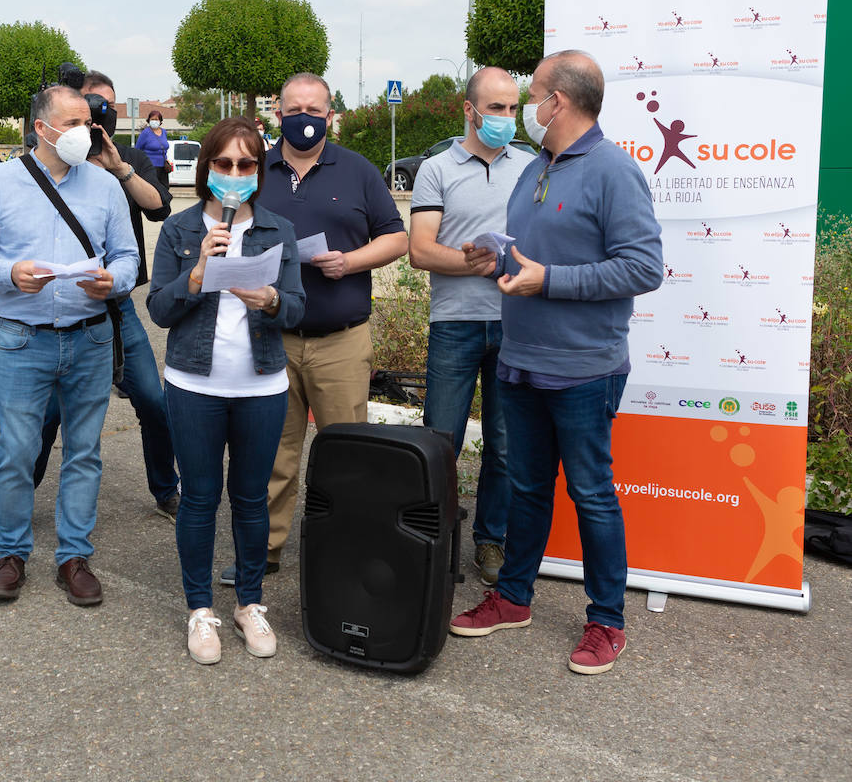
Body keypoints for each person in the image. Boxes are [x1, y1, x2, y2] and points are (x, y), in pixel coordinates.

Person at [448, 50, 663, 675]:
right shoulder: (536, 166)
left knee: (592, 494)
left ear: (558, 102)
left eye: (532, 95)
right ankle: (514, 598)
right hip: (520, 360)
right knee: (528, 487)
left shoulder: (614, 171)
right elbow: (534, 256)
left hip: (585, 367)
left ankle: (607, 622)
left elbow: (643, 267)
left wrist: (549, 281)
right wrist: (499, 262)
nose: (525, 109)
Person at [221, 72, 408, 586]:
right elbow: (224, 228)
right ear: (277, 114)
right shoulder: (256, 169)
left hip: (340, 341)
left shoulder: (358, 171)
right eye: (293, 108)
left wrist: (349, 262)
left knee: (346, 455)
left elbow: (397, 238)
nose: (304, 118)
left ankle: (347, 552)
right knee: (270, 455)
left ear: (330, 115)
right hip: (270, 336)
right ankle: (263, 552)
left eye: (315, 109)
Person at [0, 85, 139, 606]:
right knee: (17, 452)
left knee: (84, 452)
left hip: (90, 337)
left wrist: (114, 280)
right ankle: (11, 554)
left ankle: (73, 557)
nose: (86, 132)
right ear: (42, 128)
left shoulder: (105, 186)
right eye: (74, 122)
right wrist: (9, 273)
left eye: (89, 121)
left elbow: (128, 256)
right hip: (23, 340)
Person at [146, 117, 306, 664]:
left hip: (261, 383)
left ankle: (249, 604)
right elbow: (159, 310)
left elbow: (299, 303)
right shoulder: (181, 230)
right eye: (224, 164)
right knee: (198, 496)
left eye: (245, 165)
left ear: (258, 172)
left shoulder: (277, 230)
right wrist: (195, 274)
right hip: (194, 383)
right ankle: (199, 610)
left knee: (251, 497)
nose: (234, 174)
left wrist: (273, 301)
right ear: (207, 168)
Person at [32, 71, 181, 521]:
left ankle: (166, 489)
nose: (101, 113)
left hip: (116, 307)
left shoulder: (129, 155)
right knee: (50, 413)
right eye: (93, 103)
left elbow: (159, 207)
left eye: (108, 106)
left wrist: (120, 170)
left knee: (154, 404)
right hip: (64, 307)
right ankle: (23, 489)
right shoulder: (53, 158)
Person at [408, 66, 533, 585]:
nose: (506, 118)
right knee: (441, 440)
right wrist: (477, 262)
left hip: (516, 325)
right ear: (469, 109)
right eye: (496, 108)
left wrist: (513, 260)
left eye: (513, 108)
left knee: (505, 445)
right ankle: (431, 538)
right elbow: (420, 250)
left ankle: (490, 543)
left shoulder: (531, 167)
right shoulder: (435, 169)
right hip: (455, 324)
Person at [135, 109, 171, 185]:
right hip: (150, 166)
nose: (154, 121)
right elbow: (137, 149)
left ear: (160, 121)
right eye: (152, 119)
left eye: (156, 119)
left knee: (164, 189)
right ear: (149, 120)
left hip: (163, 167)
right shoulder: (145, 133)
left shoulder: (164, 132)